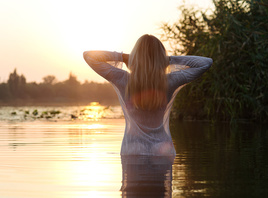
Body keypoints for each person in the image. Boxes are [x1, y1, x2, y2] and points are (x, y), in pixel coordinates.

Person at [83, 34, 212, 156]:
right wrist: (169, 60)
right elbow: (206, 62)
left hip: (133, 148)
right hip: (161, 148)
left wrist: (124, 57)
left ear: (135, 55)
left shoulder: (123, 79)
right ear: (161, 57)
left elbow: (88, 56)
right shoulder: (170, 81)